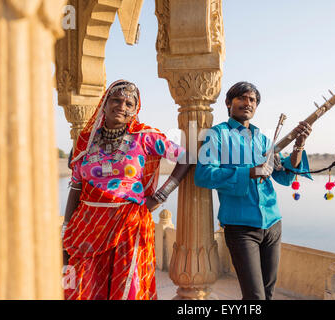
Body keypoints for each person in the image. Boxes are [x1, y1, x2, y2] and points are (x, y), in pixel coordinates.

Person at [62, 80, 191, 300]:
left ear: (134, 110)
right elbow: (76, 187)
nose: (122, 106)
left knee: (127, 286)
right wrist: (65, 230)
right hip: (87, 224)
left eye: (129, 103)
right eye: (116, 100)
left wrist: (160, 196)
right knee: (83, 285)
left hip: (128, 223)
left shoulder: (143, 136)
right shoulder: (85, 141)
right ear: (105, 103)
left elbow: (187, 157)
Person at [194, 81, 313, 300]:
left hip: (272, 224)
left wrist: (299, 144)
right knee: (254, 297)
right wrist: (250, 172)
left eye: (253, 100)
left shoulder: (263, 140)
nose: (248, 103)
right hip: (240, 227)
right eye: (242, 98)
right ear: (229, 102)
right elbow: (203, 175)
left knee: (267, 294)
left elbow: (284, 175)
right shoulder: (218, 134)